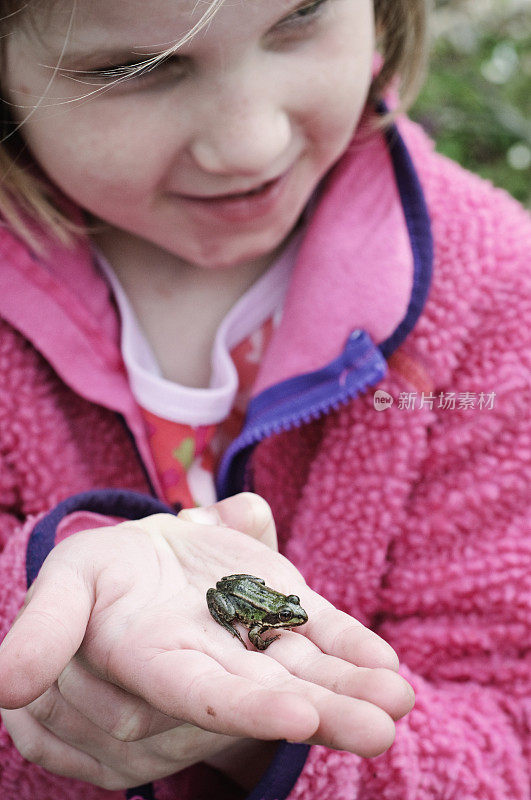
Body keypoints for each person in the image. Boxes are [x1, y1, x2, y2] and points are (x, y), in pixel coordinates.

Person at [0, 0, 529, 798]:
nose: (251, 143)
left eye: (300, 18)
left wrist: (267, 730)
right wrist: (61, 645)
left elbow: (508, 735)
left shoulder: (490, 301)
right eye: (133, 69)